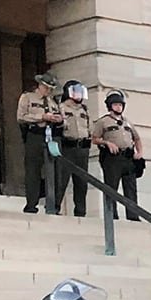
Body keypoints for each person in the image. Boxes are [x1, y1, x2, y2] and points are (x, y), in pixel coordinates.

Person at [91, 91, 144, 220]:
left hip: (128, 157)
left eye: (120, 105)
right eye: (115, 105)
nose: (118, 107)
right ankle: (111, 215)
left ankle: (133, 215)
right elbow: (94, 138)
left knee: (131, 188)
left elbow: (137, 138)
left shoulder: (127, 122)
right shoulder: (103, 122)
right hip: (112, 158)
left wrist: (140, 152)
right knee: (111, 187)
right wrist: (107, 143)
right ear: (110, 106)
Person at [17, 71, 64, 213]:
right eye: (46, 87)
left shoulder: (53, 101)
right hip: (35, 135)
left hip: (51, 136)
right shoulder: (27, 97)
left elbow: (61, 117)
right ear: (40, 85)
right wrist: (42, 117)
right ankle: (31, 204)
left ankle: (54, 205)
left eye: (51, 88)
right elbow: (21, 117)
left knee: (56, 171)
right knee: (33, 171)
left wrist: (59, 120)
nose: (48, 91)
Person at [55, 81, 93, 216]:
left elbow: (90, 128)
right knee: (61, 180)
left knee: (82, 182)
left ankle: (81, 211)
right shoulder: (61, 107)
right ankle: (55, 207)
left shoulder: (84, 109)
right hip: (67, 147)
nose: (79, 94)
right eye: (76, 91)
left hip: (82, 148)